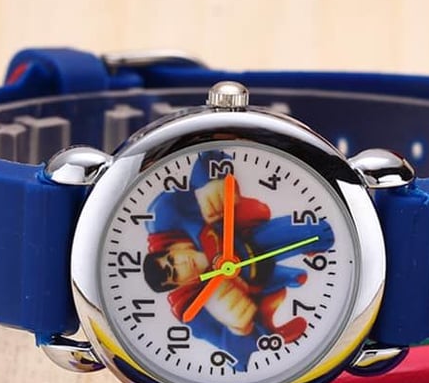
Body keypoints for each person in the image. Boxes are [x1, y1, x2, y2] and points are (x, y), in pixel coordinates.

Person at [142, 151, 335, 370]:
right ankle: (287, 276)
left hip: (251, 240)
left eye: (171, 259)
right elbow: (237, 361)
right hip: (259, 283)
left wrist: (207, 185)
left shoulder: (166, 220)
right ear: (178, 285)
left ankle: (296, 264)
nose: (182, 264)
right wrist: (238, 329)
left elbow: (208, 155)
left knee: (319, 233)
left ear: (170, 249)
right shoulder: (190, 310)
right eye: (174, 273)